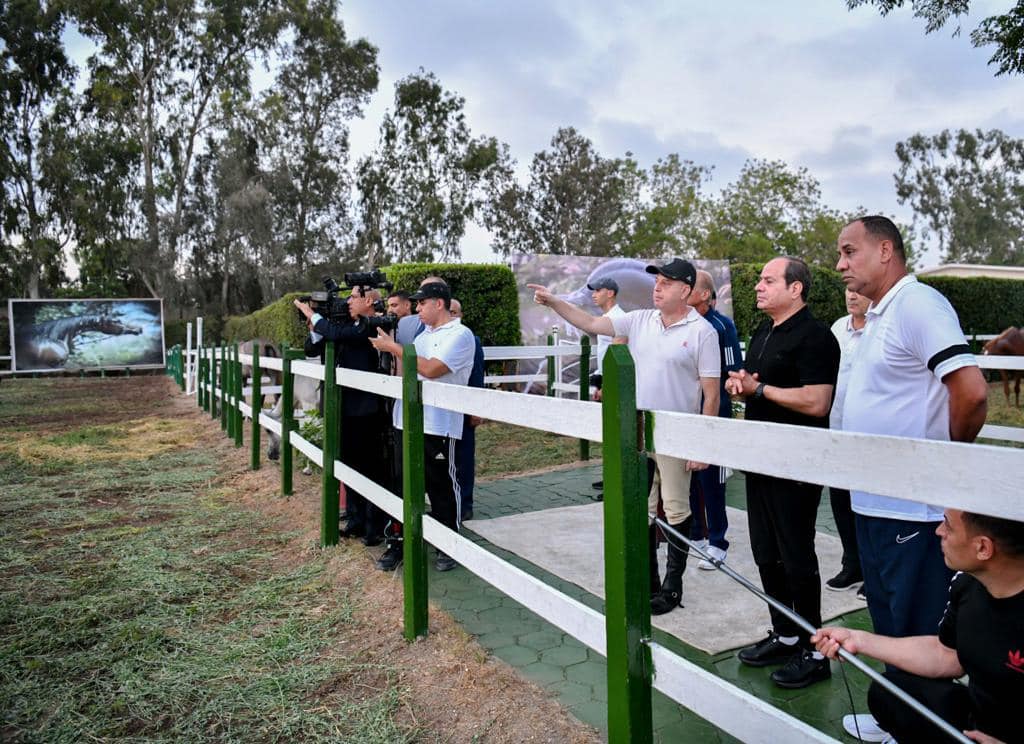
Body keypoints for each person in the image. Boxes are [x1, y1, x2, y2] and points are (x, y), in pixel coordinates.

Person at [835, 215, 988, 739]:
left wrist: (947, 460)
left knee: (918, 625)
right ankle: (896, 715)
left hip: (913, 511)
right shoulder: (877, 316)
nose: (840, 264)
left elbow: (971, 391)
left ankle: (923, 728)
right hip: (873, 503)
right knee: (888, 620)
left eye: (849, 251)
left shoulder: (917, 304)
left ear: (885, 251)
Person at [529, 257, 721, 616]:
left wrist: (702, 445)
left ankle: (673, 587)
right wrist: (554, 301)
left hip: (677, 434)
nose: (657, 288)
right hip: (639, 433)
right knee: (643, 509)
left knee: (676, 508)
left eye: (666, 283)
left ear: (686, 290)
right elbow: (590, 322)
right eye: (657, 282)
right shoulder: (639, 320)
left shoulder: (703, 332)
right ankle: (649, 581)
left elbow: (711, 395)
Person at [725, 256, 840, 689]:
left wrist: (760, 389)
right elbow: (760, 386)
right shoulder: (763, 332)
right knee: (765, 552)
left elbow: (817, 402)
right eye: (759, 280)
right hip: (761, 460)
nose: (758, 286)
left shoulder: (816, 336)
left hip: (797, 464)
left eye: (768, 280)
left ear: (796, 289)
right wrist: (743, 386)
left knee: (796, 555)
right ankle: (786, 634)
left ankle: (815, 651)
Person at [813, 509, 1024, 744]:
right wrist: (858, 640)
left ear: (983, 547)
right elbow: (946, 654)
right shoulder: (966, 584)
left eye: (948, 526)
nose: (938, 531)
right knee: (889, 694)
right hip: (976, 723)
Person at [370, 281, 476, 572]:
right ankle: (399, 542)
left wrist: (394, 348)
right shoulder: (422, 336)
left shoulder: (461, 334)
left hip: (439, 424)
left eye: (421, 303)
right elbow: (409, 371)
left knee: (441, 486)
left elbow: (431, 369)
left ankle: (448, 545)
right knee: (401, 484)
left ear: (438, 304)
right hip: (406, 420)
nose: (417, 309)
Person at [294, 286, 388, 545]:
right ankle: (356, 520)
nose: (348, 302)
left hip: (365, 409)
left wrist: (311, 314)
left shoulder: (371, 325)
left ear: (369, 301)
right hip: (342, 407)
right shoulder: (343, 326)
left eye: (353, 297)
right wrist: (315, 327)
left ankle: (373, 526)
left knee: (368, 467)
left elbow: (337, 334)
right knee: (348, 463)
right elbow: (312, 349)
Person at [686, 269, 743, 569]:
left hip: (715, 415)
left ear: (705, 294)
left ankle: (718, 543)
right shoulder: (683, 323)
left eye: (690, 286)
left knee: (712, 481)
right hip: (687, 414)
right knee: (690, 477)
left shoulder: (722, 326)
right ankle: (696, 534)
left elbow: (734, 372)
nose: (684, 290)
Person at [825, 288, 871, 593]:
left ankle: (872, 571)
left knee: (868, 504)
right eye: (848, 290)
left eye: (858, 291)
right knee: (840, 500)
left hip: (868, 436)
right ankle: (852, 564)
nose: (852, 295)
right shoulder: (837, 328)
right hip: (836, 430)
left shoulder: (881, 329)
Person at [586, 275, 627, 496]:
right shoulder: (608, 318)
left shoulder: (618, 319)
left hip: (615, 381)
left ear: (610, 293)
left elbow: (618, 355)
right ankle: (611, 477)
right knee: (609, 434)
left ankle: (617, 484)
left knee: (617, 435)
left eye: (598, 290)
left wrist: (607, 385)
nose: (594, 294)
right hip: (606, 378)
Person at [450, 298, 485, 522]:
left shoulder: (471, 339)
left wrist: (476, 409)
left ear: (461, 315)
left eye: (455, 312)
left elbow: (477, 375)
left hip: (464, 407)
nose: (451, 316)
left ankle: (465, 504)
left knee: (463, 458)